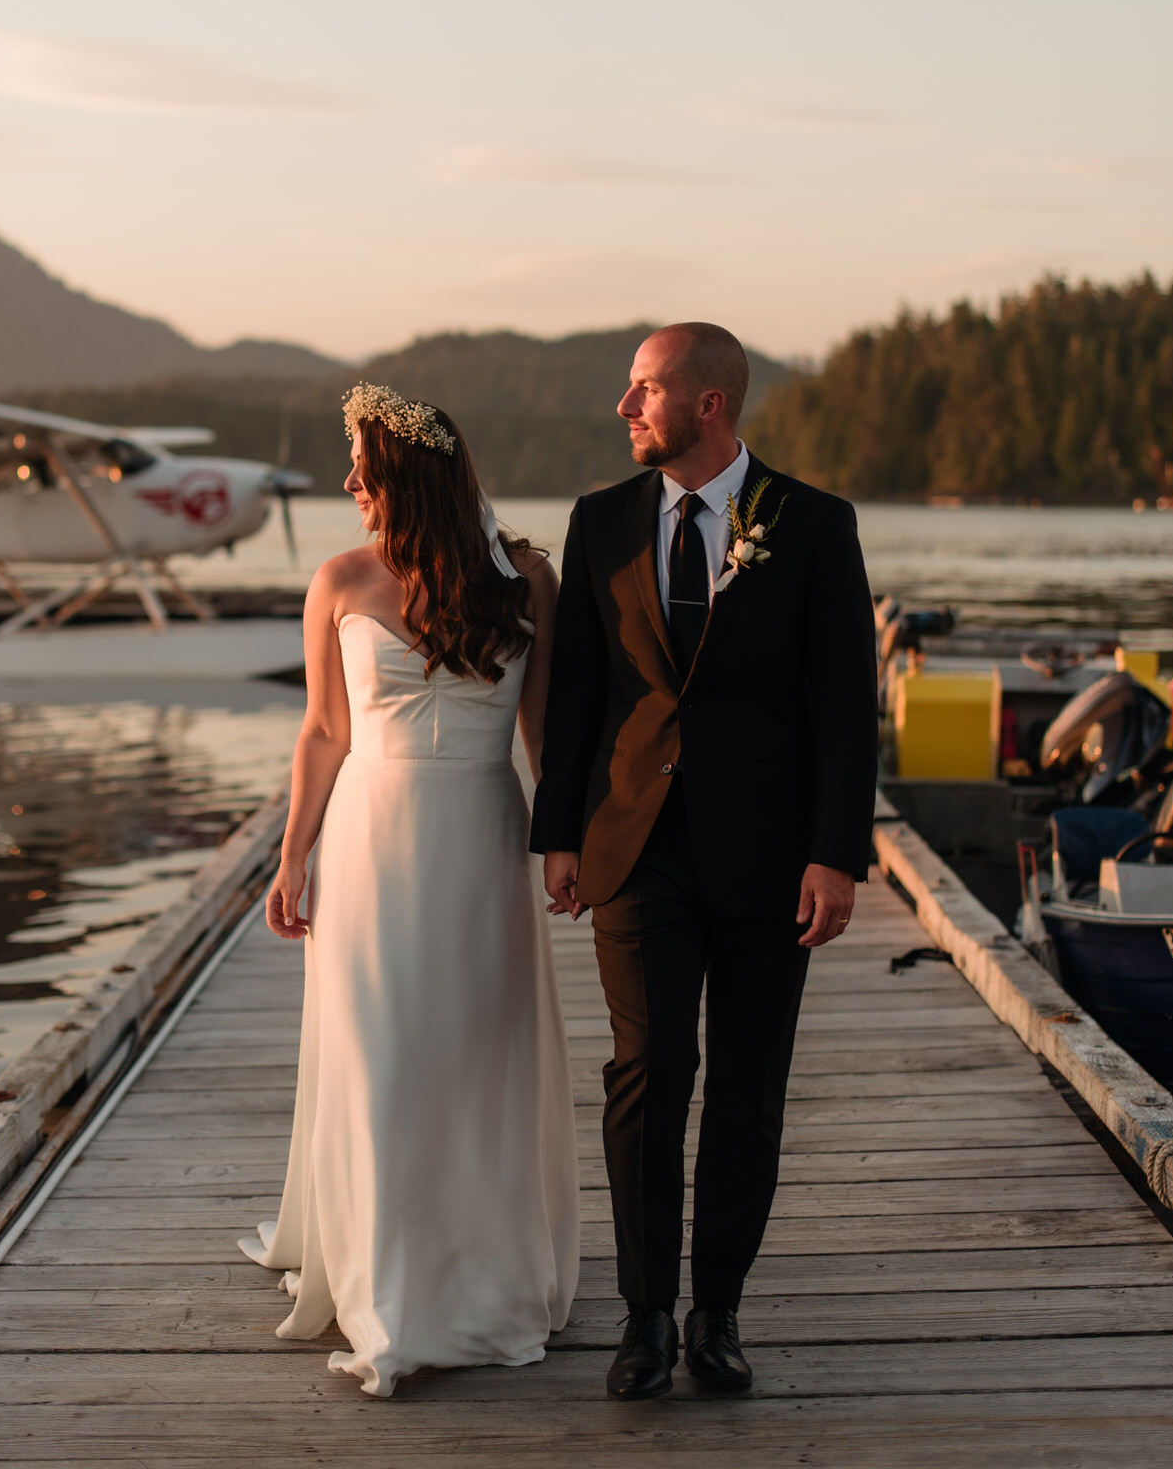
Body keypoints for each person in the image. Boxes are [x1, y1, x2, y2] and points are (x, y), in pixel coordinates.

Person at [531, 323, 877, 1399]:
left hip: (770, 854)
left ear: (708, 403)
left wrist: (835, 854)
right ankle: (643, 1317)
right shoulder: (599, 522)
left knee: (746, 1082)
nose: (625, 405)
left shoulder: (813, 525)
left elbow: (844, 707)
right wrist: (557, 832)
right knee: (646, 1070)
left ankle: (715, 1310)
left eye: (643, 389)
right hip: (633, 844)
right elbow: (576, 693)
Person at [240, 382, 579, 1398]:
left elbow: (544, 733)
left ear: (410, 470)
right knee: (381, 1052)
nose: (346, 480)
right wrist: (292, 851)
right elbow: (325, 732)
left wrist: (561, 846)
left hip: (479, 837)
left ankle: (478, 1267)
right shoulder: (339, 578)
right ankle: (388, 1278)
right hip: (368, 845)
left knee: (477, 1048)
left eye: (360, 461)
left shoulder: (525, 577)